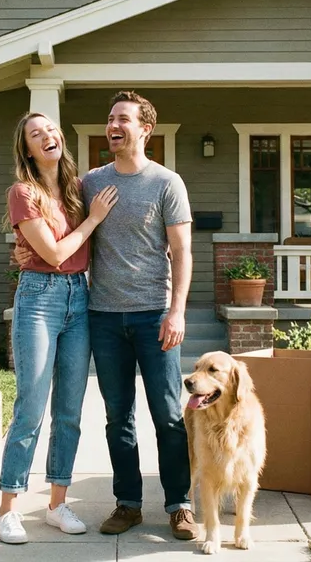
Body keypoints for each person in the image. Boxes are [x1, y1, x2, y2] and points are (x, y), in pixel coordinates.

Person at [0, 112, 119, 545]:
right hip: (39, 299)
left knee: (69, 408)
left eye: (51, 130)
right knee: (31, 406)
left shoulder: (76, 190)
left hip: (79, 299)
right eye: (35, 133)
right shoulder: (22, 193)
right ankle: (8, 508)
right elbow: (54, 254)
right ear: (27, 148)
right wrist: (93, 220)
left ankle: (56, 503)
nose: (47, 136)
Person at [83, 91, 199, 541]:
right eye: (110, 118)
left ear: (145, 129)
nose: (113, 125)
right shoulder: (92, 182)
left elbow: (183, 251)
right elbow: (66, 228)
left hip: (155, 317)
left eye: (123, 119)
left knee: (169, 414)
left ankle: (179, 504)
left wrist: (177, 312)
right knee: (118, 417)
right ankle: (128, 504)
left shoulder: (167, 183)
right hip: (105, 317)